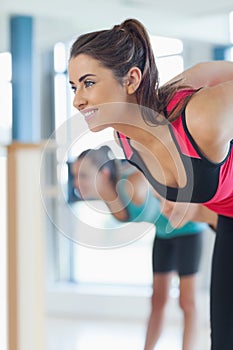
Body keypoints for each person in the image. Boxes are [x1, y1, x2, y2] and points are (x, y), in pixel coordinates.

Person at [68, 18, 233, 349]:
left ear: (130, 79)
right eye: (74, 87)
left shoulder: (201, 116)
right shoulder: (125, 141)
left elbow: (207, 72)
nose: (77, 101)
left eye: (88, 83)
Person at [71, 146, 216, 350]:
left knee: (186, 302)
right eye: (75, 176)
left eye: (83, 176)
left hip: (188, 229)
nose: (77, 183)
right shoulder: (110, 195)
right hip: (163, 234)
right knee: (157, 300)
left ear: (103, 174)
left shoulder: (133, 184)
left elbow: (161, 167)